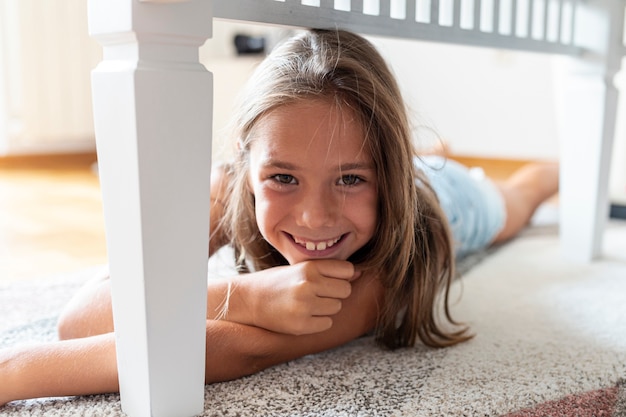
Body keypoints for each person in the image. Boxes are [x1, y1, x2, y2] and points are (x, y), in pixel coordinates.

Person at [0, 29, 558, 406]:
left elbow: (246, 347)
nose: (315, 218)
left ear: (383, 174)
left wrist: (15, 374)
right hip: (396, 165)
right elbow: (80, 319)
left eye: (351, 178)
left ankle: (552, 170)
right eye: (283, 178)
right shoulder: (228, 185)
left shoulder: (392, 265)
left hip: (446, 200)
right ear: (246, 166)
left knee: (515, 200)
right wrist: (249, 297)